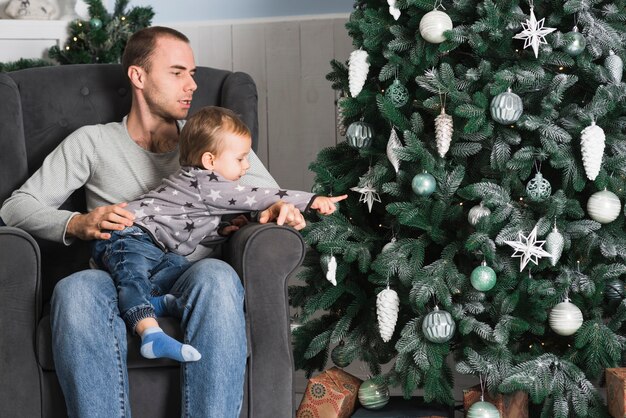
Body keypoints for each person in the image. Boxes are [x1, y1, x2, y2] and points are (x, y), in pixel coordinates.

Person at [0, 26, 308, 417]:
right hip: (115, 273)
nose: (192, 85)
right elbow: (17, 206)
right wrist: (78, 222)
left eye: (193, 73)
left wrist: (275, 210)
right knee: (74, 290)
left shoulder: (210, 140)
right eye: (177, 72)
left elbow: (268, 193)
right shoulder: (93, 142)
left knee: (216, 277)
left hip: (190, 272)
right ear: (138, 76)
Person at [92, 106, 346, 364]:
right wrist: (312, 199)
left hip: (155, 247)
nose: (246, 167)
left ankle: (155, 303)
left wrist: (223, 231)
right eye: (240, 159)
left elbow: (191, 230)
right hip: (126, 235)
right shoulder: (207, 183)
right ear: (210, 161)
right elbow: (258, 196)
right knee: (133, 275)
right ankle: (150, 332)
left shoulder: (203, 192)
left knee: (179, 266)